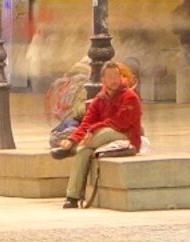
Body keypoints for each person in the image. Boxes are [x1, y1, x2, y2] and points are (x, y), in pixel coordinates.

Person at [52, 59, 146, 208]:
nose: (114, 79)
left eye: (116, 75)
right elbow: (86, 122)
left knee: (104, 133)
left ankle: (71, 149)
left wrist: (92, 130)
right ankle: (72, 196)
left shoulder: (130, 97)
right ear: (103, 80)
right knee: (83, 151)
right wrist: (72, 138)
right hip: (101, 136)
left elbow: (119, 122)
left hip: (125, 136)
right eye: (110, 76)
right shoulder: (100, 98)